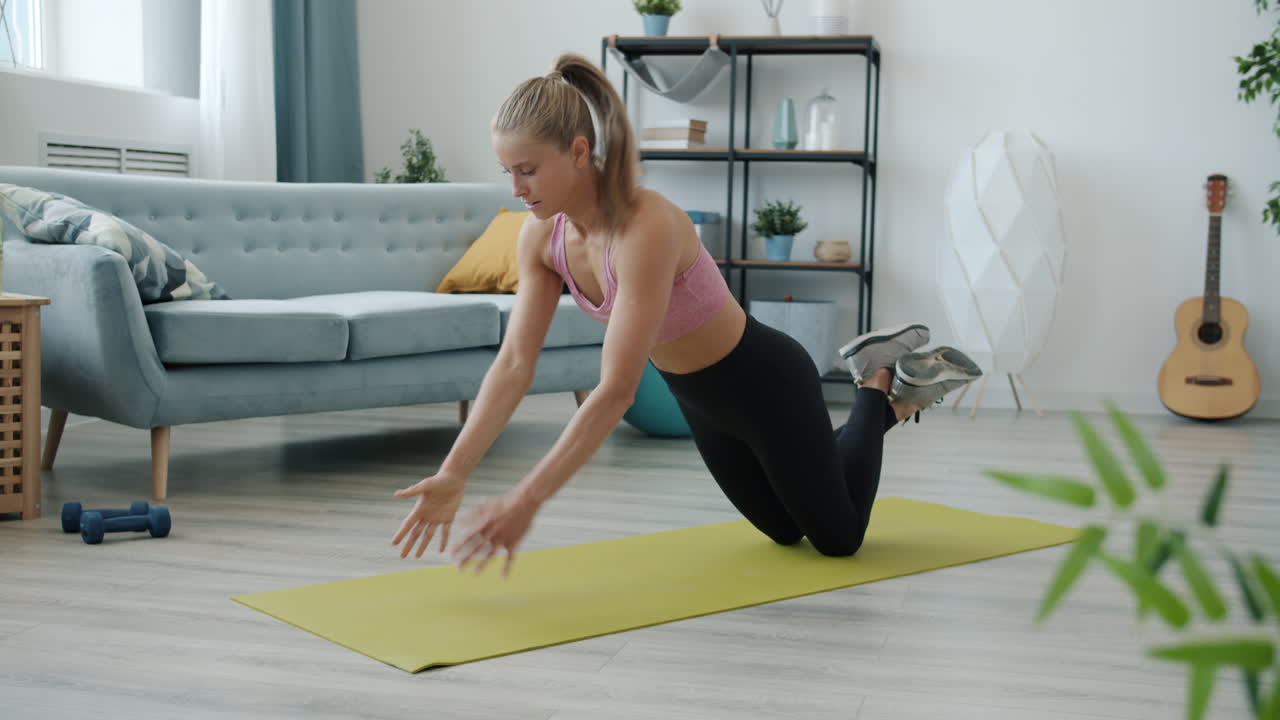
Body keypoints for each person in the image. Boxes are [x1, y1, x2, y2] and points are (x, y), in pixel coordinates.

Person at [391, 53, 982, 577]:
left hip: (767, 383)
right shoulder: (541, 236)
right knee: (783, 530)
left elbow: (617, 390)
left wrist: (527, 500)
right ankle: (893, 397)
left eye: (527, 169)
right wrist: (455, 471)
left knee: (839, 539)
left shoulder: (646, 227)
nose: (517, 189)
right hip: (700, 402)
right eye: (507, 172)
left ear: (577, 153)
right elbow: (516, 361)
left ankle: (878, 382)